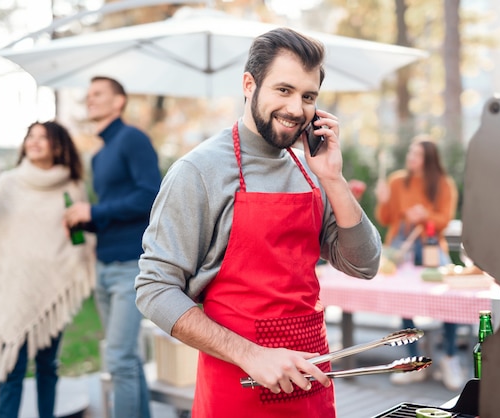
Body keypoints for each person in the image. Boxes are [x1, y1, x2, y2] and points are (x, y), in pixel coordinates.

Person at [135, 27, 382, 418]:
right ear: (249, 84)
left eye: (308, 96)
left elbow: (364, 264)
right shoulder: (198, 171)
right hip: (238, 385)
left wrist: (333, 178)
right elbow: (154, 289)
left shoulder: (313, 169)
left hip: (309, 379)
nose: (296, 109)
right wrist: (251, 355)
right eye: (283, 90)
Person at [0, 121, 95, 418]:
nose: (34, 142)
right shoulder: (7, 182)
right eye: (30, 136)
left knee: (48, 366)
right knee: (12, 368)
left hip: (52, 285)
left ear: (58, 146)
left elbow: (82, 236)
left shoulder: (72, 186)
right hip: (13, 286)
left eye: (43, 138)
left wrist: (74, 257)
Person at [64, 76, 161, 418]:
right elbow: (114, 207)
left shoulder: (132, 139)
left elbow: (151, 195)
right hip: (103, 266)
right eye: (88, 95)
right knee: (128, 360)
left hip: (130, 267)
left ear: (119, 101)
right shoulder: (99, 154)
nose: (90, 100)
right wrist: (85, 218)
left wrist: (95, 210)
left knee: (118, 358)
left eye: (98, 94)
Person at [374, 136, 463, 391]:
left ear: (429, 159)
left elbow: (445, 220)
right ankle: (413, 359)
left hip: (431, 247)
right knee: (403, 301)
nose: (411, 157)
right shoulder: (397, 181)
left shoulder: (444, 184)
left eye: (417, 154)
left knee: (449, 296)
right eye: (410, 152)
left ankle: (449, 356)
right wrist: (382, 199)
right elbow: (386, 217)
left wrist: (426, 215)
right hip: (400, 247)